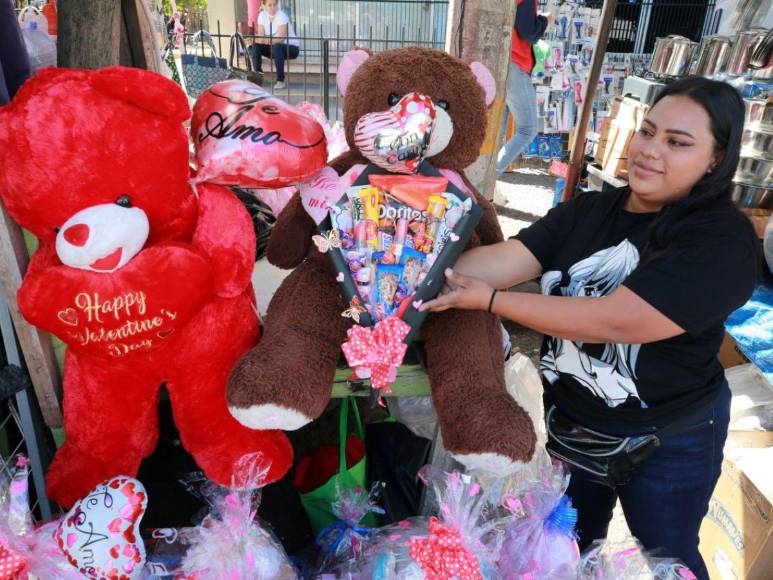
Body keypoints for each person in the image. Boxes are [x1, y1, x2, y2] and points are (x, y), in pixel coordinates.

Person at [421, 77, 758, 578]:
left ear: (716, 158)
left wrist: (493, 302)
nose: (648, 150)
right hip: (574, 424)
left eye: (677, 142)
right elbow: (504, 260)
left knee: (667, 555)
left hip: (669, 434)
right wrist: (400, 253)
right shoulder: (591, 210)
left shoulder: (722, 238)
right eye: (647, 131)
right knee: (566, 550)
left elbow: (620, 320)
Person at [496, 0, 550, 176]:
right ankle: (488, 179)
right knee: (528, 129)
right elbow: (529, 33)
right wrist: (545, 20)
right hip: (515, 64)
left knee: (497, 131)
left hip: (499, 60)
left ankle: (485, 187)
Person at [250, 0, 299, 90]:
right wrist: (255, 40)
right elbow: (261, 37)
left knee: (277, 46)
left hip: (291, 48)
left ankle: (280, 81)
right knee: (255, 46)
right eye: (270, 5)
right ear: (263, 6)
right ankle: (258, 76)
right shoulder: (262, 16)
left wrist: (266, 40)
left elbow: (281, 39)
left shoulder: (281, 16)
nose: (273, 8)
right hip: (274, 48)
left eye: (274, 5)